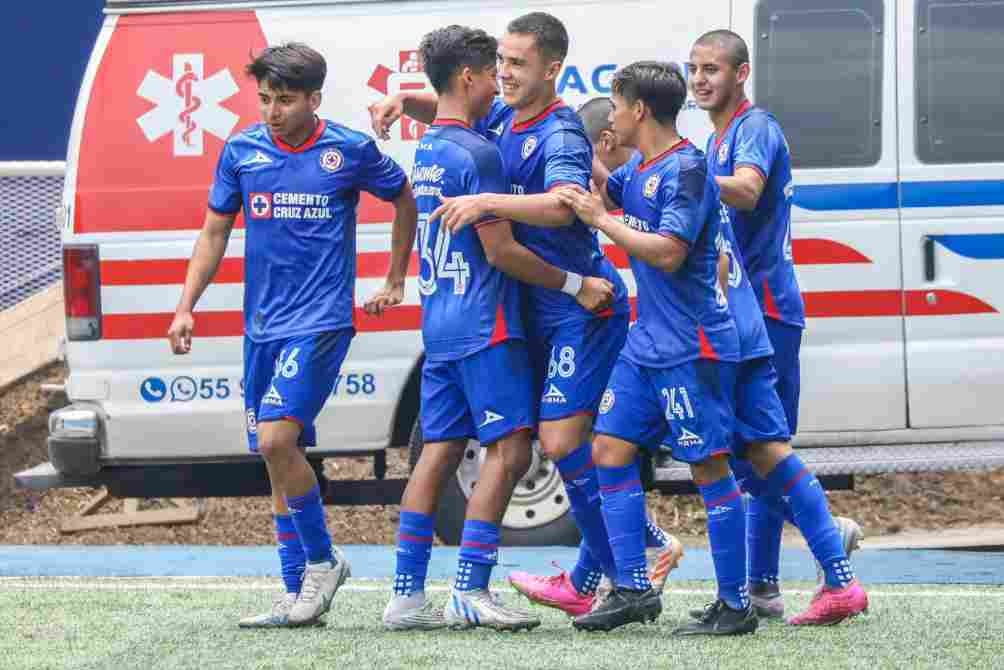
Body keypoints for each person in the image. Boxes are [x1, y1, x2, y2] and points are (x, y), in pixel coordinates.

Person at [370, 12, 632, 617]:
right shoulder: (486, 141)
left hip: (453, 323)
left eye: (514, 64)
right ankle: (471, 589)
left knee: (446, 451)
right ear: (472, 76)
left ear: (550, 68)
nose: (503, 77)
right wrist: (574, 284)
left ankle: (407, 595)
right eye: (498, 66)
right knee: (515, 452)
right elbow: (503, 249)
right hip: (491, 321)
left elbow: (566, 204)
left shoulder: (452, 141)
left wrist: (403, 100)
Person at [167, 43, 417, 628]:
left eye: (284, 100)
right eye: (265, 100)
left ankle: (324, 562)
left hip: (322, 322)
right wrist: (185, 306)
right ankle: (295, 591)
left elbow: (403, 194)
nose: (272, 111)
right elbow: (212, 234)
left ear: (313, 99)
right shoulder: (242, 151)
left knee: (279, 440)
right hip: (262, 328)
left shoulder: (349, 150)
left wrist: (396, 276)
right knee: (275, 455)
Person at [557, 61, 754, 635]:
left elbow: (667, 251)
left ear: (639, 109)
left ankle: (736, 605)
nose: (613, 116)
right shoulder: (642, 165)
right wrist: (576, 136)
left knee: (710, 467)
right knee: (609, 451)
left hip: (693, 347)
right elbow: (605, 186)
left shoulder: (688, 167)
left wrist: (601, 221)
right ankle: (633, 588)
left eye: (617, 106)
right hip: (646, 347)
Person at [688, 29, 868, 625]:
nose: (700, 78)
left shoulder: (753, 128)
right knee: (752, 453)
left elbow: (745, 190)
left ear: (740, 74)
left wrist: (678, 180)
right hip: (741, 311)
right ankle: (767, 581)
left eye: (712, 68)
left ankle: (819, 542)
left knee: (763, 448)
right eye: (694, 68)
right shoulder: (715, 138)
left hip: (766, 309)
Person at [506, 96, 684, 616]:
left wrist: (488, 201)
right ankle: (595, 578)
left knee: (566, 442)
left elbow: (676, 250)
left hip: (596, 310)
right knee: (593, 449)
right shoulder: (608, 173)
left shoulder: (642, 175)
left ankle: (632, 566)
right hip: (575, 309)